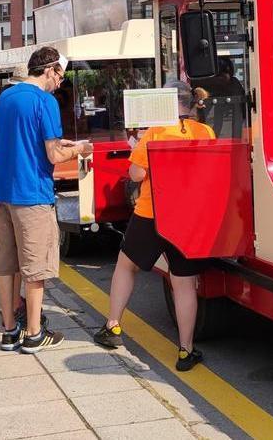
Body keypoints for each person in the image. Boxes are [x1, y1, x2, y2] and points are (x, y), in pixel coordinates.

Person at [94, 81, 214, 371]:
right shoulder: (205, 132)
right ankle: (186, 351)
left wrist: (135, 145)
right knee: (184, 285)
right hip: (188, 217)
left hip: (152, 213)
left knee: (126, 266)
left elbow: (136, 175)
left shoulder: (156, 132)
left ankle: (113, 326)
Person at [0, 47, 91, 353]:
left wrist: (56, 142)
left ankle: (9, 330)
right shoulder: (45, 101)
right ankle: (34, 334)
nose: (60, 82)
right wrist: (79, 149)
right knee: (36, 268)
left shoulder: (7, 96)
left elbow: (14, 136)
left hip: (3, 192)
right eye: (60, 75)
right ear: (49, 70)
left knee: (8, 266)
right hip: (32, 194)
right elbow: (53, 154)